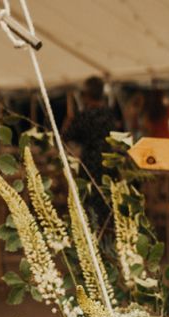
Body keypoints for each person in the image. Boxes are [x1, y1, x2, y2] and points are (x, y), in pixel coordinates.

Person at [62, 76, 117, 214]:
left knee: (89, 204)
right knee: (107, 203)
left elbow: (66, 136)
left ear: (86, 95)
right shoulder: (109, 114)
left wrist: (69, 120)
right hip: (108, 162)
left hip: (91, 164)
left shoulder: (85, 116)